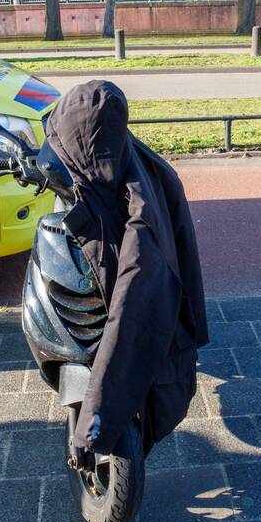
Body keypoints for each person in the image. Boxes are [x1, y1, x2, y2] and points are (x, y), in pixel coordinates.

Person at [44, 80, 209, 455]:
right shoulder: (128, 158)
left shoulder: (139, 222)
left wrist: (95, 421)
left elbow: (132, 318)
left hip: (155, 323)